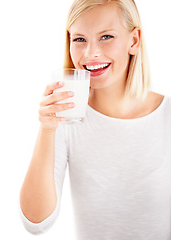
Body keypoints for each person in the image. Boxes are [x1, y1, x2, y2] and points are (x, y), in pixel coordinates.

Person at [19, 0, 171, 239]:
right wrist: (47, 130)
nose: (91, 54)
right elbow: (36, 222)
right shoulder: (66, 116)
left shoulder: (167, 116)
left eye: (106, 37)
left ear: (134, 40)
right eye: (79, 39)